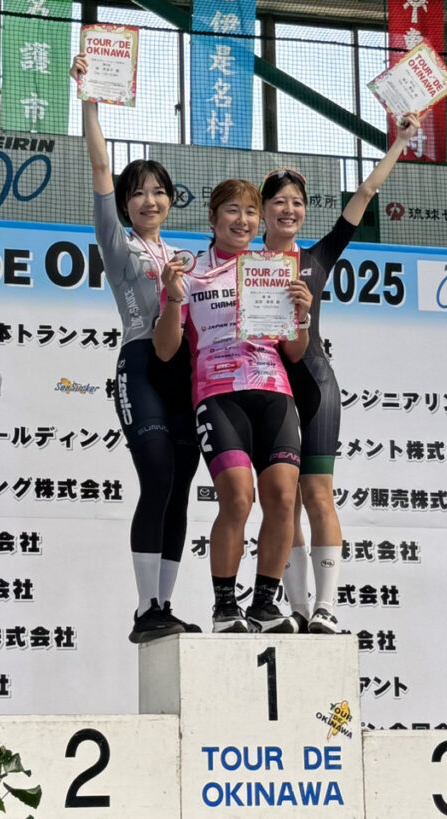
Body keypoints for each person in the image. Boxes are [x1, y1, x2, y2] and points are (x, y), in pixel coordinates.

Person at [261, 114, 421, 634]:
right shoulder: (244, 265)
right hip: (268, 389)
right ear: (262, 210)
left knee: (317, 493)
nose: (289, 209)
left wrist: (398, 142)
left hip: (316, 384)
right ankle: (296, 607)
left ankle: (327, 607)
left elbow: (367, 193)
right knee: (282, 500)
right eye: (279, 201)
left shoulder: (319, 256)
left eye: (297, 202)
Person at [70, 54, 201, 642]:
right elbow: (100, 167)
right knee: (157, 477)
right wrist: (90, 103)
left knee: (179, 488)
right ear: (124, 203)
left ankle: (164, 606)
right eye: (138, 193)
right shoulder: (119, 246)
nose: (150, 200)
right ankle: (144, 606)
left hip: (186, 374)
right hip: (143, 364)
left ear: (171, 200)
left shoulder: (184, 257)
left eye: (159, 192)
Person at [154, 179, 313, 633]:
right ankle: (225, 608)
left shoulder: (273, 268)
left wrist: (302, 316)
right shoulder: (188, 270)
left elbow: (294, 351)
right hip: (218, 393)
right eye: (231, 211)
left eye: (250, 212)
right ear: (212, 217)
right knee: (238, 498)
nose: (242, 221)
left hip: (274, 390)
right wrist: (173, 297)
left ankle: (264, 604)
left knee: (283, 498)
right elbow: (165, 350)